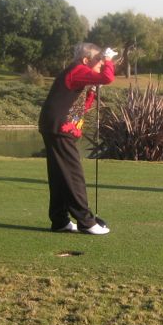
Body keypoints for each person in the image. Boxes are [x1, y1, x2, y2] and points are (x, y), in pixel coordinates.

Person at [38, 42, 116, 234]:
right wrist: (108, 60)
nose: (100, 65)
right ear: (85, 60)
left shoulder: (78, 74)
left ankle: (60, 220)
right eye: (97, 61)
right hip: (58, 129)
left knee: (60, 176)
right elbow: (107, 77)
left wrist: (91, 91)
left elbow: (82, 108)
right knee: (73, 175)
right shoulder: (77, 69)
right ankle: (86, 222)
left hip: (55, 127)